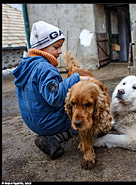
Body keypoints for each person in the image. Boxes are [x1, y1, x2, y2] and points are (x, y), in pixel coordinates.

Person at [12, 21, 91, 159]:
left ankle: (51, 133)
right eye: (56, 47)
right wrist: (75, 79)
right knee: (79, 116)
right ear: (41, 47)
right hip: (46, 123)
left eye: (60, 47)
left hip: (31, 121)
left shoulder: (26, 66)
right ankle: (54, 138)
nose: (60, 51)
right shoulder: (45, 68)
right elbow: (55, 98)